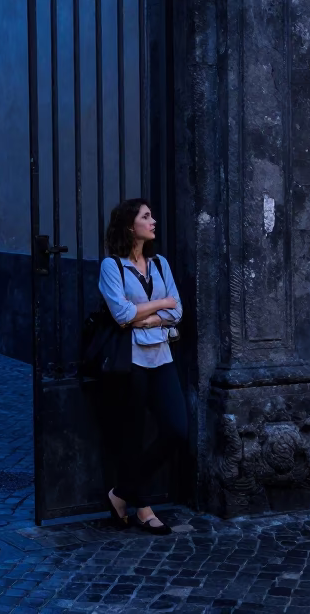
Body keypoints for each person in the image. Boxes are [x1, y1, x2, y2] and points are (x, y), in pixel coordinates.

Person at [97, 198, 187, 535]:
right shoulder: (112, 267)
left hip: (161, 357)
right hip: (130, 361)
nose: (153, 221)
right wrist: (161, 304)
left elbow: (178, 311)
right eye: (146, 216)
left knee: (176, 429)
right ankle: (143, 508)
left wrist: (147, 319)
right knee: (133, 436)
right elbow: (121, 314)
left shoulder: (160, 263)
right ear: (129, 225)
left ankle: (120, 493)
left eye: (151, 216)